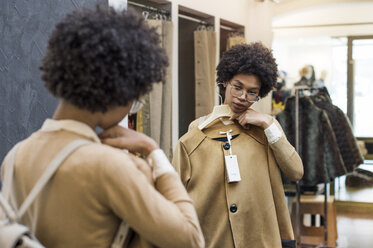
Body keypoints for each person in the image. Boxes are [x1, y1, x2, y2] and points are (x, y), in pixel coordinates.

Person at [1, 7, 204, 248]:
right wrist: (153, 151)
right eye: (134, 99)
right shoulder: (111, 166)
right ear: (119, 93)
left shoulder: (15, 157)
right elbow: (191, 239)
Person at [172, 43, 303, 248]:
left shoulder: (266, 132)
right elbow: (174, 195)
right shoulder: (195, 136)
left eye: (252, 92)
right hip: (212, 239)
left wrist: (268, 123)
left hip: (260, 239)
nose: (243, 97)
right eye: (238, 87)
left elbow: (296, 172)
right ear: (225, 81)